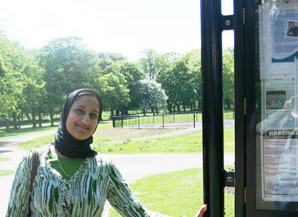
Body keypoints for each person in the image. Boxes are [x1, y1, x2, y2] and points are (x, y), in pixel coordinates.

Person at [6, 88, 207, 217]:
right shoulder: (32, 162)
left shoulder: (103, 168)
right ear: (66, 112)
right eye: (79, 111)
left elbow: (138, 213)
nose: (86, 120)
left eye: (93, 115)